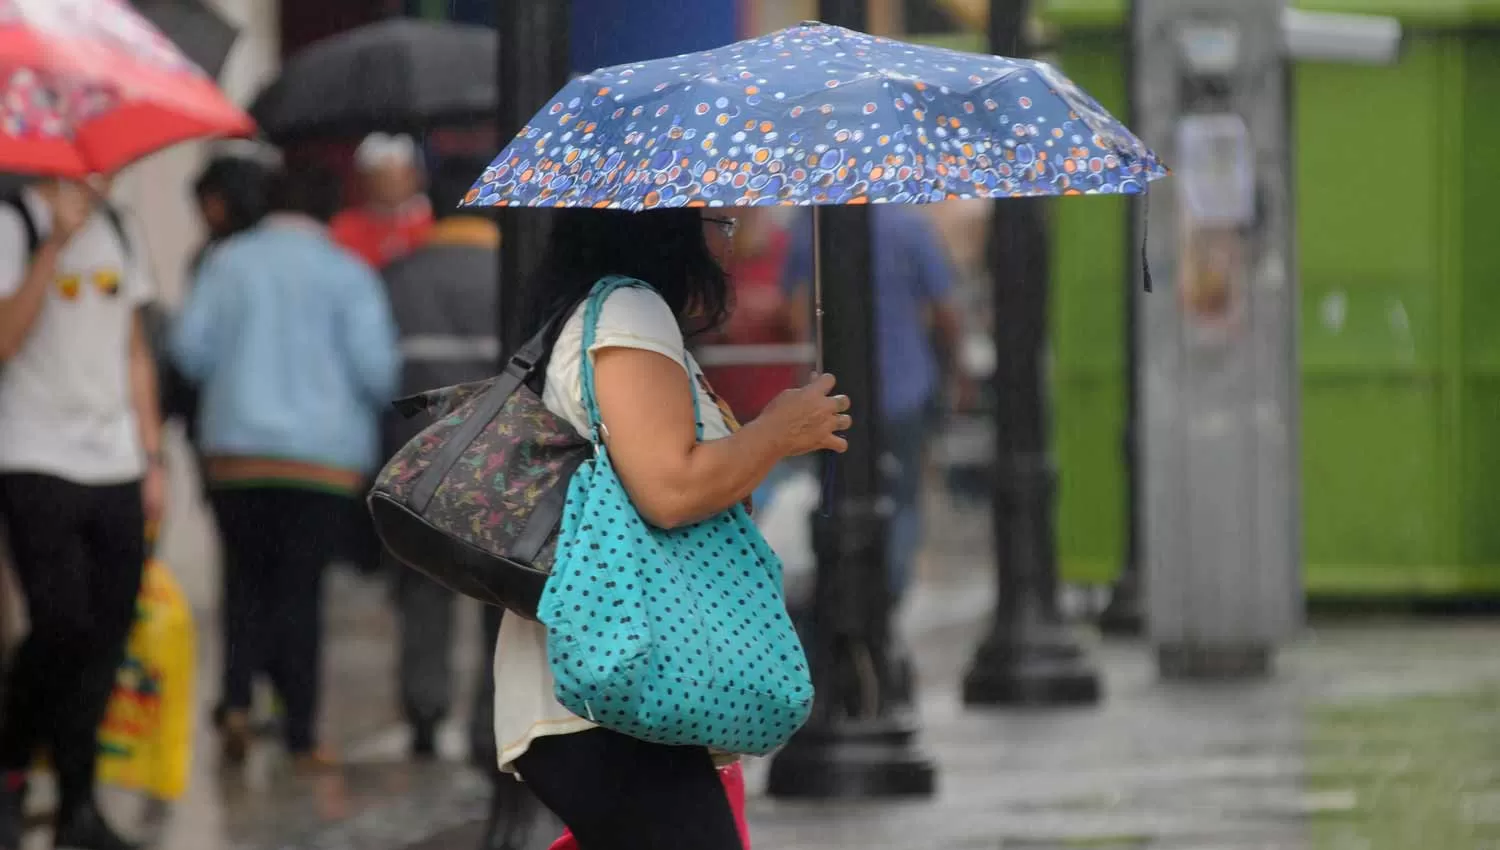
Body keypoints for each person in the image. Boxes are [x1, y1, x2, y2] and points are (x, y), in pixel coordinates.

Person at [493, 207, 849, 849]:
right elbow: (669, 489)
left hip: (610, 692)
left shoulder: (602, 315)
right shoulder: (630, 313)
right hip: (611, 689)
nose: (724, 239)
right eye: (719, 219)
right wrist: (778, 433)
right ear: (667, 228)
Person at [171, 165, 400, 773]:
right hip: (320, 464)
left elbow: (189, 352)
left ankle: (238, 700)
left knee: (242, 582)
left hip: (236, 456)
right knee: (301, 591)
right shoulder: (349, 273)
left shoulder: (226, 263)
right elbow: (378, 373)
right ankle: (300, 731)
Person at [0, 177, 165, 850]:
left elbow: (132, 350)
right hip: (34, 453)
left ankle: (78, 803)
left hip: (117, 461)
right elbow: (5, 340)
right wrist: (54, 245)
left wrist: (152, 456)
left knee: (107, 635)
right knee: (60, 622)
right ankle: (11, 767)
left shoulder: (122, 227)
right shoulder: (13, 221)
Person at [783, 205, 971, 604]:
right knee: (902, 499)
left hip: (833, 394)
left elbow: (797, 311)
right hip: (905, 387)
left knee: (835, 494)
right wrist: (956, 370)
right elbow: (946, 312)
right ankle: (888, 602)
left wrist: (806, 376)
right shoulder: (911, 226)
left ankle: (851, 600)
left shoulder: (809, 224)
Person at [379, 159, 503, 763]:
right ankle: (489, 720)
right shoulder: (512, 274)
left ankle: (424, 714)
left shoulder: (398, 277)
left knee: (422, 584)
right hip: (500, 460)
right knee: (496, 587)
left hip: (415, 460)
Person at [331, 132, 434, 270]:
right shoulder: (345, 227)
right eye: (384, 178)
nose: (393, 185)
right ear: (366, 181)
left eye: (401, 176)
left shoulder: (432, 220)